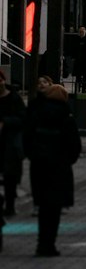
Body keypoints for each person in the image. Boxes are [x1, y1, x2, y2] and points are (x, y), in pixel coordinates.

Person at [23, 81, 81, 256]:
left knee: (42, 206)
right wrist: (68, 160)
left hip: (39, 166)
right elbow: (74, 145)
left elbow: (27, 137)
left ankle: (42, 242)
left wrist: (33, 155)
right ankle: (50, 243)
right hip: (59, 167)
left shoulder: (36, 114)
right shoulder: (66, 117)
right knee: (54, 208)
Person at [0, 66, 26, 214]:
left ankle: (10, 206)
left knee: (10, 177)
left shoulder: (14, 98)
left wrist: (5, 122)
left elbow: (22, 118)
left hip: (9, 143)